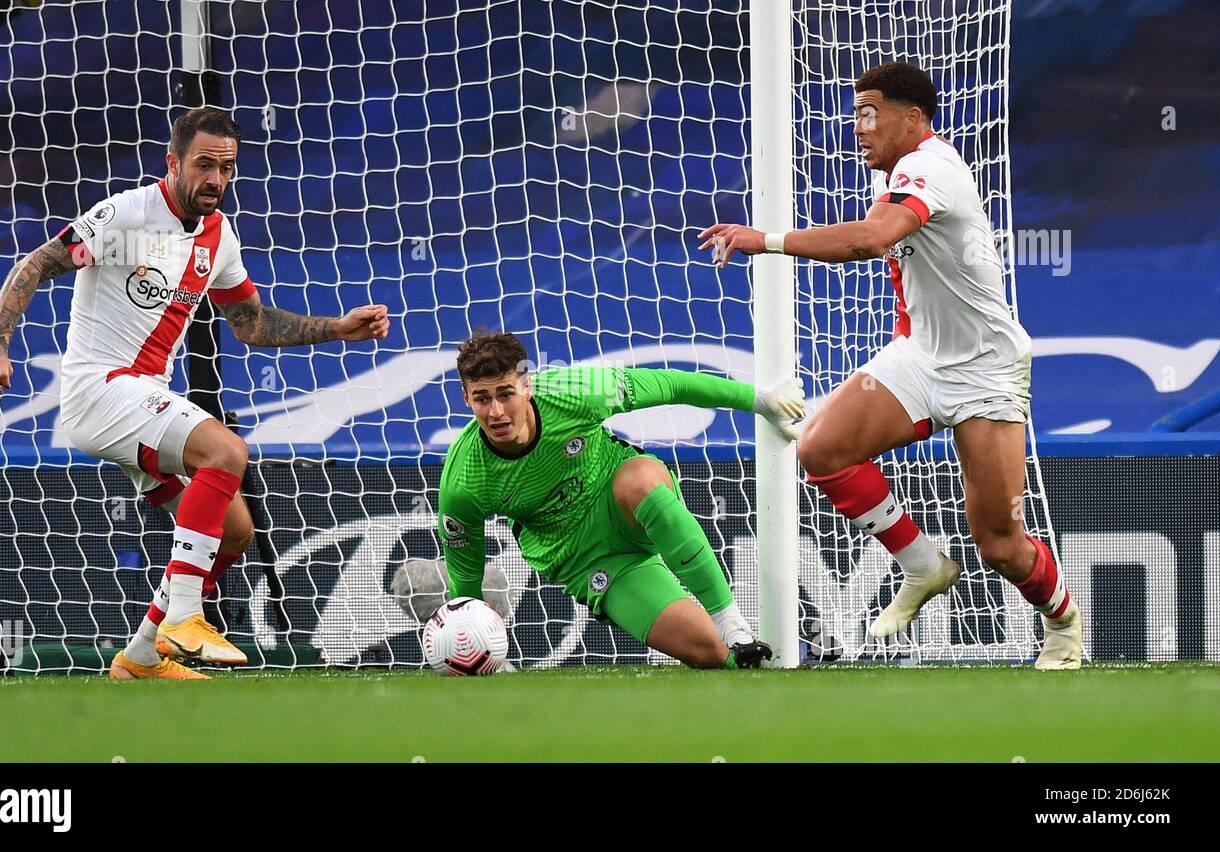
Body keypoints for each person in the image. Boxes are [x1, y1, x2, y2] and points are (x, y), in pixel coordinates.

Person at [0, 107, 391, 679]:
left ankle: (141, 657)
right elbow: (35, 264)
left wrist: (336, 327)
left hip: (140, 399)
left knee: (235, 530)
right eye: (203, 164)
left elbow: (250, 325)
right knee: (227, 453)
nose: (215, 179)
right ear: (173, 162)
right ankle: (185, 616)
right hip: (100, 391)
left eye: (226, 167)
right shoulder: (125, 215)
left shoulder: (219, 237)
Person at [698, 61, 1080, 669]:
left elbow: (870, 241)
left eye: (870, 113)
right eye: (855, 113)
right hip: (923, 356)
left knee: (1001, 545)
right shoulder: (900, 173)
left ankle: (1063, 626)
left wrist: (764, 240)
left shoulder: (928, 168)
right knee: (820, 450)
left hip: (985, 369)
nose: (859, 126)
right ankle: (923, 564)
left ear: (914, 117)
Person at [436, 330, 805, 669]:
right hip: (586, 560)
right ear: (466, 398)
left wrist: (758, 400)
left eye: (505, 394)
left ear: (527, 387)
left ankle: (731, 622)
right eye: (482, 399)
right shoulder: (464, 481)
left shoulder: (575, 392)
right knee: (707, 652)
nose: (496, 412)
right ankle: (738, 662)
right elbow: (466, 577)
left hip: (623, 500)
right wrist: (480, 652)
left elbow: (671, 386)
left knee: (641, 482)